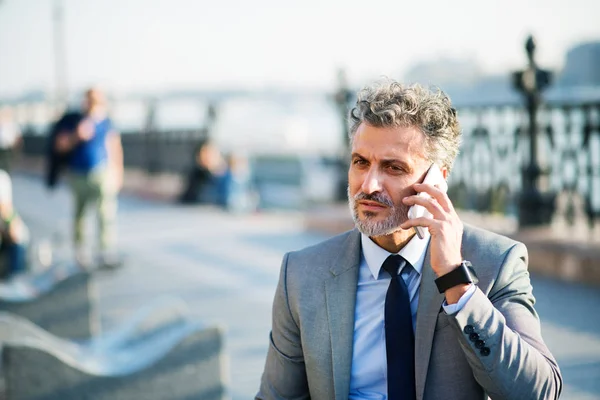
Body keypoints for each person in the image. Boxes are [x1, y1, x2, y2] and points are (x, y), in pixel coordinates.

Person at [256, 80, 562, 399]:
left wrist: (457, 282)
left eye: (394, 167)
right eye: (361, 162)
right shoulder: (302, 273)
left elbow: (539, 392)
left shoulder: (494, 262)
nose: (369, 184)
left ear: (436, 180)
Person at [54, 87, 123, 269]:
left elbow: (114, 145)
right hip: (78, 174)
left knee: (105, 213)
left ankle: (105, 251)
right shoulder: (73, 120)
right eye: (90, 100)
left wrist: (118, 172)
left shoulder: (105, 121)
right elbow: (60, 145)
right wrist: (77, 135)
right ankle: (81, 251)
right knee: (80, 215)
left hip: (101, 172)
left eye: (96, 100)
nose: (92, 104)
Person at [0, 170, 29, 278]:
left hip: (11, 237)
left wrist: (10, 226)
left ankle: (16, 276)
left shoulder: (2, 178)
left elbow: (6, 209)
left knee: (18, 238)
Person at [0, 107, 22, 173]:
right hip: (1, 148)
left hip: (8, 148)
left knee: (6, 165)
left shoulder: (13, 125)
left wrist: (15, 147)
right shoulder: (2, 124)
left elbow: (18, 137)